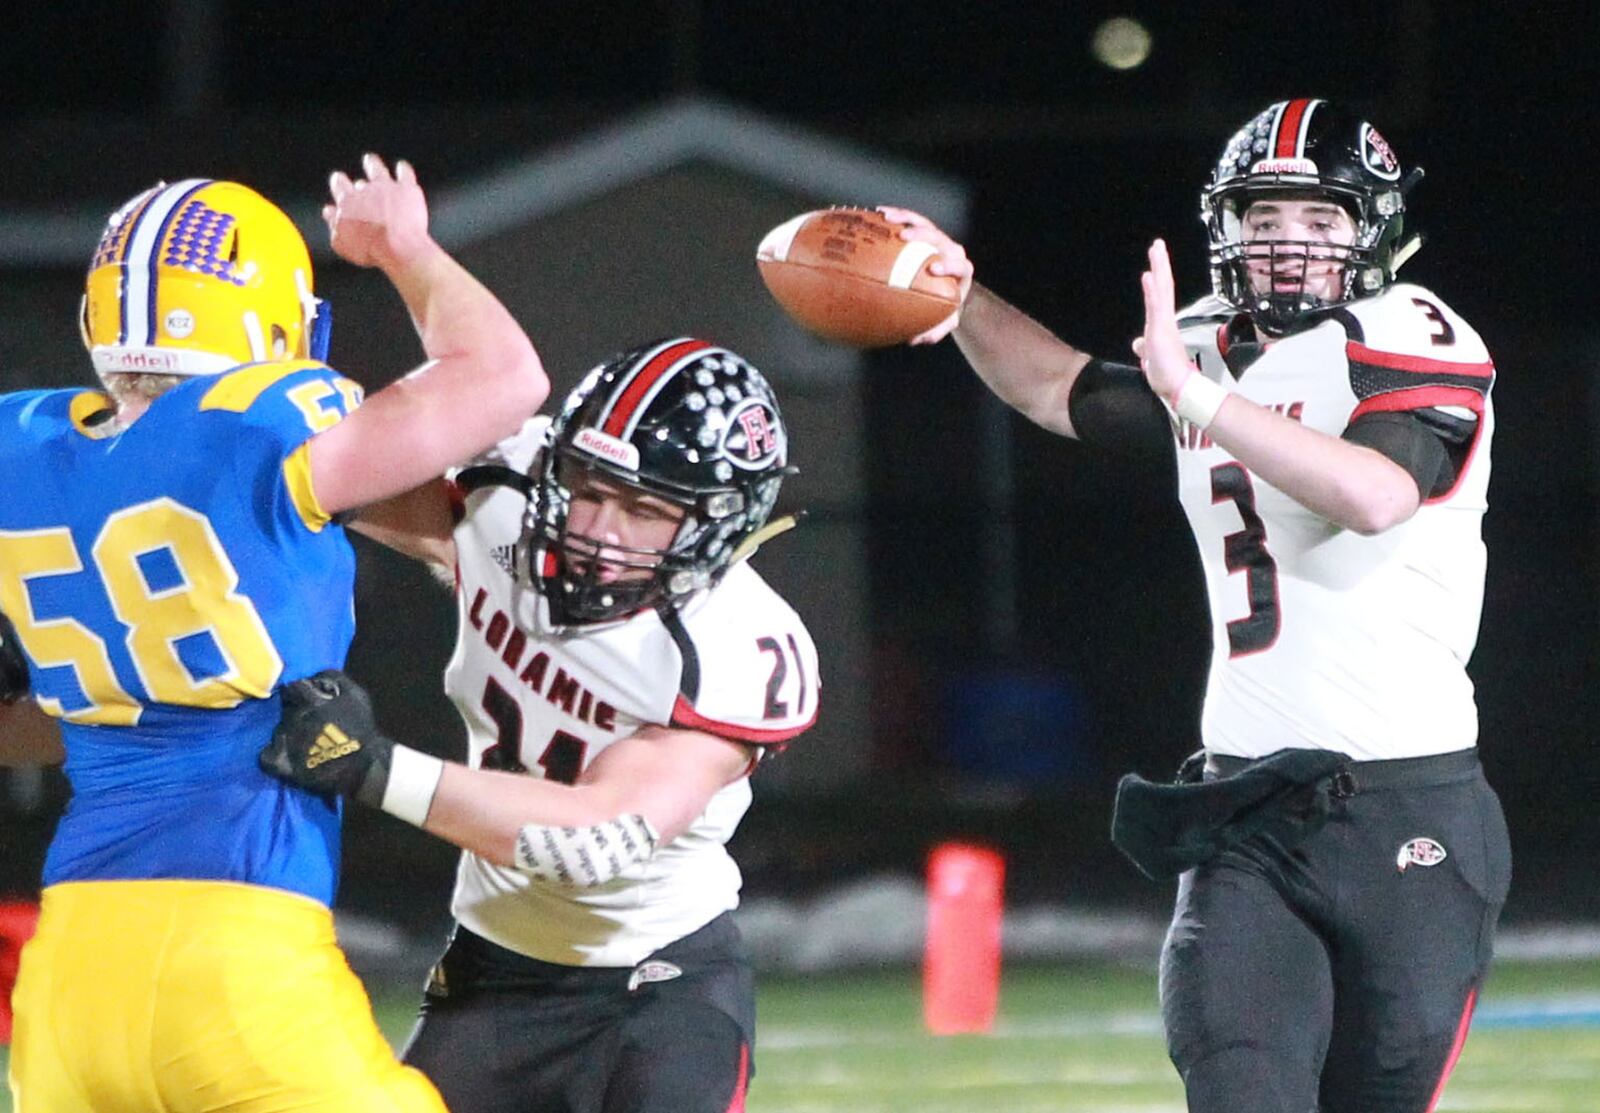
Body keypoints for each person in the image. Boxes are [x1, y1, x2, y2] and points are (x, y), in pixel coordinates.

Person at [884, 98, 1511, 1112]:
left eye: (1322, 219)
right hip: (1243, 811)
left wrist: (1204, 398)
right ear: (1226, 223)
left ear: (1375, 227)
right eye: (1265, 216)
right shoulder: (1207, 341)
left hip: (1407, 810)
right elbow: (1056, 390)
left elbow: (1373, 494)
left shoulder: (1411, 331)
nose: (1289, 243)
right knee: (1237, 1086)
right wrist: (959, 299)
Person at [0, 155, 550, 1111]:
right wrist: (408, 253)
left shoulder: (24, 446)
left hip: (67, 975)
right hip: (234, 956)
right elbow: (504, 378)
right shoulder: (262, 428)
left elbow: (53, 718)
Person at [259, 337, 820, 1113]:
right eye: (591, 488)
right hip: (497, 968)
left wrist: (377, 767)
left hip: (660, 983)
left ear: (714, 529)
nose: (602, 529)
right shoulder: (505, 513)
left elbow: (596, 838)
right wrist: (400, 248)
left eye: (645, 509)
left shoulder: (730, 642)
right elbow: (311, 480)